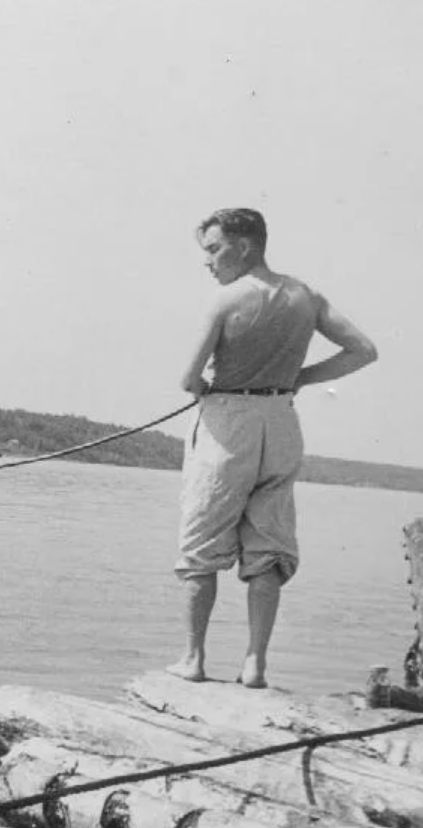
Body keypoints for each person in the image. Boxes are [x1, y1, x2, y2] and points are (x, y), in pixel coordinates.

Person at [166, 208, 377, 689]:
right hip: (281, 421)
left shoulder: (225, 300)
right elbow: (363, 350)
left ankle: (194, 659)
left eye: (214, 250)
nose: (209, 262)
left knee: (201, 544)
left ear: (244, 246)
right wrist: (300, 377)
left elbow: (187, 378)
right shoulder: (305, 295)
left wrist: (206, 386)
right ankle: (255, 664)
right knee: (269, 545)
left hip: (227, 424)